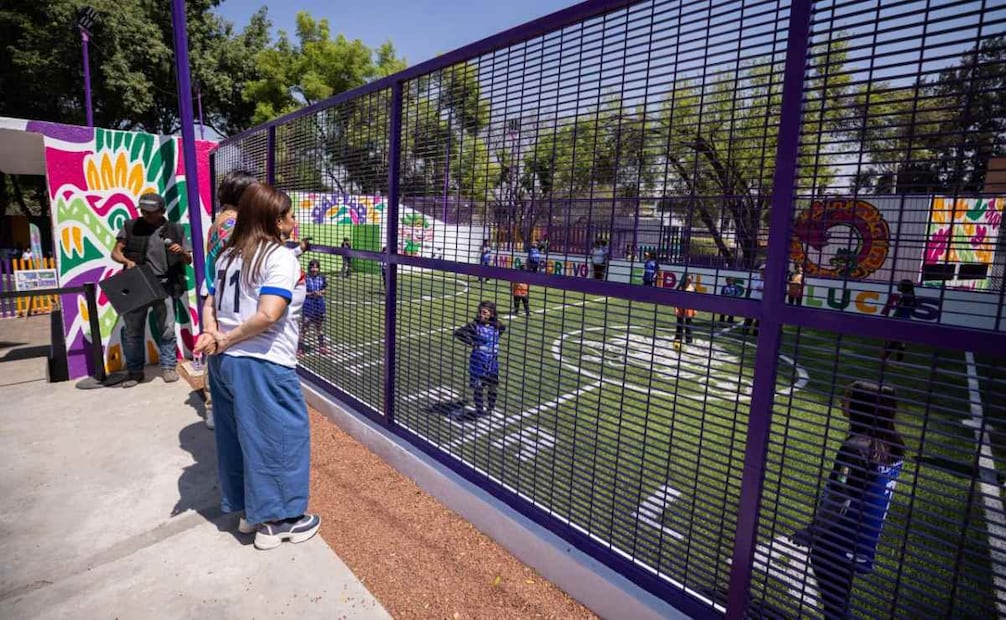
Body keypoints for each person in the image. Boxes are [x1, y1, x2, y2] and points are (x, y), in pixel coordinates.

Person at [193, 182, 320, 550]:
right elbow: (268, 314)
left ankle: (251, 511)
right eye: (289, 215)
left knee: (239, 440)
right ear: (275, 220)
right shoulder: (279, 258)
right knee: (281, 439)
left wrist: (213, 335)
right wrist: (226, 339)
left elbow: (210, 305)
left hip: (224, 365)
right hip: (261, 363)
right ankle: (280, 521)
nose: (293, 221)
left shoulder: (227, 256)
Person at [792, 381, 905, 619]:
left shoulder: (855, 449)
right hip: (862, 539)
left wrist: (810, 532)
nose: (842, 402)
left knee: (835, 607)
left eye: (848, 398)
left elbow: (840, 499)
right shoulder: (892, 445)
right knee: (839, 599)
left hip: (838, 540)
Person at [110, 192, 191, 388]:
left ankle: (168, 367)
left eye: (150, 212)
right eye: (143, 211)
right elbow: (115, 252)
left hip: (165, 285)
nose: (145, 215)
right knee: (132, 331)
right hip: (138, 285)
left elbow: (189, 259)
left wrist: (182, 253)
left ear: (162, 211)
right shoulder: (131, 227)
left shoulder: (176, 230)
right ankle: (135, 372)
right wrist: (126, 261)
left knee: (167, 329)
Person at [200, 171, 258, 428]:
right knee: (220, 345)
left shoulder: (222, 220)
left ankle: (218, 405)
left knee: (218, 345)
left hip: (219, 291)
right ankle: (216, 406)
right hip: (223, 294)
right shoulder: (231, 224)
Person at [454, 301, 506, 417]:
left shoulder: (497, 325)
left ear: (491, 314)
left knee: (492, 386)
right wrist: (472, 341)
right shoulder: (474, 326)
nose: (481, 314)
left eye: (485, 312)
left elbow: (502, 329)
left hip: (492, 361)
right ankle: (479, 410)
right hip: (478, 361)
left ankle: (490, 408)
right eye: (480, 312)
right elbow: (458, 333)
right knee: (478, 386)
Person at [881, 280, 917, 366]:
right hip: (904, 320)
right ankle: (897, 361)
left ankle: (887, 358)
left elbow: (901, 308)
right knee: (900, 342)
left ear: (905, 287)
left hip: (901, 320)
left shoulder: (907, 297)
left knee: (896, 341)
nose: (898, 286)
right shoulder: (909, 296)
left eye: (900, 285)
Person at [299, 259, 328, 356]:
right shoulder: (305, 278)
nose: (314, 270)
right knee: (305, 326)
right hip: (308, 304)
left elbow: (325, 289)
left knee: (319, 326)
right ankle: (300, 348)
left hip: (319, 304)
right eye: (312, 267)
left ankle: (322, 346)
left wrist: (320, 292)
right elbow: (302, 292)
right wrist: (311, 293)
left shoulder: (322, 277)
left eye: (316, 267)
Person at [743, 265, 765, 336]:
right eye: (762, 270)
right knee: (749, 316)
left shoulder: (770, 280)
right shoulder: (754, 278)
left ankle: (756, 333)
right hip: (752, 300)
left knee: (759, 318)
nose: (763, 271)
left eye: (764, 270)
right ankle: (745, 331)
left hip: (763, 301)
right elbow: (749, 287)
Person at [674, 275, 696, 344]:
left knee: (688, 325)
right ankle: (678, 339)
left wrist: (694, 310)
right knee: (679, 324)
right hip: (680, 308)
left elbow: (694, 300)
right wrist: (675, 308)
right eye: (688, 279)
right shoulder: (680, 288)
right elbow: (676, 299)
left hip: (689, 309)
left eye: (690, 279)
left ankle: (689, 340)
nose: (689, 281)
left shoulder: (693, 288)